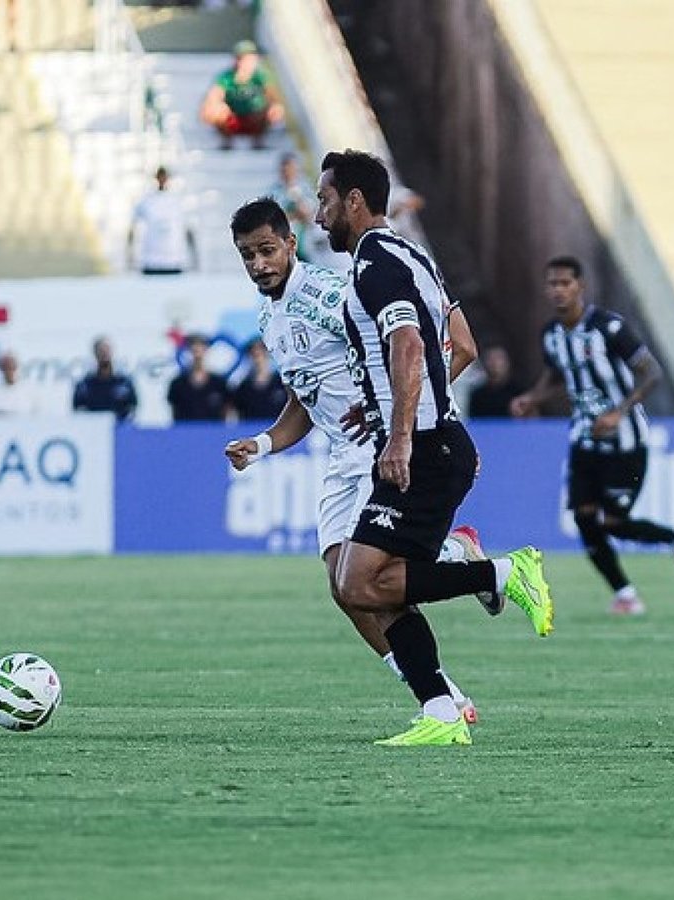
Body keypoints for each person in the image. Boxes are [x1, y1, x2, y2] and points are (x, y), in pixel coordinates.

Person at [311, 149, 553, 747]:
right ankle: (442, 711)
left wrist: (399, 431)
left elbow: (412, 347)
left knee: (356, 583)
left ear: (354, 202)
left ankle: (496, 571)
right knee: (375, 584)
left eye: (324, 200)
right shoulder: (414, 255)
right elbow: (461, 345)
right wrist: (384, 402)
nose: (317, 216)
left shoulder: (373, 264)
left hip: (420, 450)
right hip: (433, 440)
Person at [223, 197, 491, 726]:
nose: (259, 264)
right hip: (340, 459)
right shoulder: (268, 316)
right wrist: (263, 445)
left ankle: (463, 584)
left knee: (364, 580)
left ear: (291, 244)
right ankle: (444, 687)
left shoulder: (329, 293)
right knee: (345, 588)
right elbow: (305, 399)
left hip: (376, 450)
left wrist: (408, 421)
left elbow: (420, 350)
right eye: (247, 255)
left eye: (267, 250)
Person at [510, 256, 674, 615]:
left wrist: (619, 412)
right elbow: (557, 374)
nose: (558, 290)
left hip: (626, 442)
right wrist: (531, 398)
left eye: (565, 283)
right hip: (583, 438)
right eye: (552, 284)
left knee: (614, 523)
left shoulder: (609, 328)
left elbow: (651, 372)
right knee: (583, 518)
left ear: (580, 286)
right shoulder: (551, 335)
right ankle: (625, 594)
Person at [199, 41, 285, 151]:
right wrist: (214, 107)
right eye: (242, 58)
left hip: (254, 119)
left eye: (249, 58)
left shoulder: (260, 77)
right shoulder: (226, 77)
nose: (245, 62)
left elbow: (274, 97)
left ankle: (258, 141)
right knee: (213, 110)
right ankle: (227, 141)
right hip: (233, 120)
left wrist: (275, 106)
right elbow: (213, 96)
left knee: (274, 110)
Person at [129, 167, 197, 275]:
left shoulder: (177, 200)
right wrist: (130, 255)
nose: (162, 180)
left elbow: (188, 229)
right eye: (159, 177)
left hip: (174, 260)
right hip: (150, 261)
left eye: (164, 177)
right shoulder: (146, 200)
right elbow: (133, 227)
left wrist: (194, 257)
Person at [266, 152, 317, 262]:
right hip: (282, 238)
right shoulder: (274, 191)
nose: (288, 173)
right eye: (285, 170)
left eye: (291, 169)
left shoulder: (305, 189)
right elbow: (273, 217)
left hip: (304, 240)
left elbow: (310, 214)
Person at [71, 337, 138, 420]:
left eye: (107, 350)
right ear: (95, 353)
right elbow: (78, 410)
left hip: (118, 427)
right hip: (93, 427)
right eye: (101, 351)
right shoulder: (84, 385)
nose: (104, 354)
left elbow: (132, 407)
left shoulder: (124, 382)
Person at [166, 334, 229, 422]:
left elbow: (226, 411)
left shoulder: (218, 383)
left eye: (201, 348)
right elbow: (174, 411)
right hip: (185, 432)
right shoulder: (178, 383)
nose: (197, 353)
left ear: (207, 350)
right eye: (193, 349)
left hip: (214, 432)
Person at [228, 337, 288, 421]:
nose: (258, 356)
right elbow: (234, 414)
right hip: (251, 431)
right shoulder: (243, 388)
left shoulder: (283, 384)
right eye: (254, 354)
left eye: (262, 352)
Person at [464, 345, 524, 418]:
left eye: (499, 358)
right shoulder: (478, 395)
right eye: (490, 359)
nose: (494, 363)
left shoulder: (520, 393)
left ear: (507, 363)